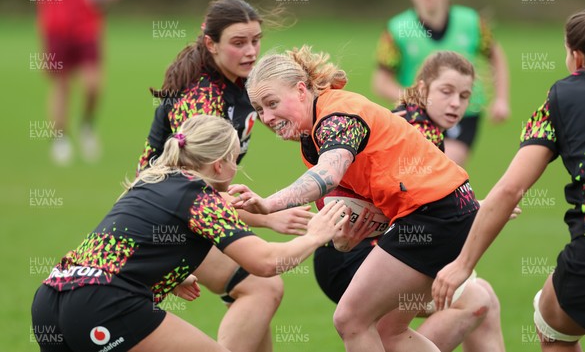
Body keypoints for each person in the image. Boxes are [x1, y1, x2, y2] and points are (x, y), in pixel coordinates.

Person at [229, 45, 489, 351]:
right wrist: (346, 238)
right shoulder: (312, 139)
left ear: (301, 90)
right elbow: (342, 229)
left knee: (351, 319)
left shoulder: (337, 117)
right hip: (442, 212)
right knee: (388, 330)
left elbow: (329, 175)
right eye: (259, 109)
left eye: (272, 103)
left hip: (435, 215)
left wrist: (268, 205)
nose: (267, 117)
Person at [31, 114, 349, 352]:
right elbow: (264, 264)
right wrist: (314, 236)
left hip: (51, 300)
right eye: (235, 158)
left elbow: (133, 239)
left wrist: (166, 273)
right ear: (219, 164)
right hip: (102, 304)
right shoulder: (198, 196)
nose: (237, 166)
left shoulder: (154, 179)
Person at [137, 0, 313, 352]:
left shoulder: (240, 84)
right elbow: (191, 196)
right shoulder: (202, 99)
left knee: (257, 294)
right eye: (238, 42)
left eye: (256, 40)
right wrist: (269, 217)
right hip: (166, 221)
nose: (251, 51)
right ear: (210, 43)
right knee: (263, 286)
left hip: (187, 211)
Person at [433, 0, 585, 352]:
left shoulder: (563, 97)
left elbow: (510, 189)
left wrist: (463, 264)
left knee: (551, 323)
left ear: (577, 58)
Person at [313, 51, 506, 352]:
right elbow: (417, 211)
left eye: (465, 95)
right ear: (423, 88)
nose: (456, 103)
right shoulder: (418, 130)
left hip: (356, 251)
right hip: (353, 255)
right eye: (447, 91)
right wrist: (479, 208)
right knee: (475, 301)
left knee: (482, 299)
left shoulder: (411, 119)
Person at [372, 0, 510, 167]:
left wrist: (501, 99)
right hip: (417, 114)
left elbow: (495, 55)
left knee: (441, 166)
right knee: (409, 173)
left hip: (463, 113)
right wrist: (416, 99)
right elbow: (381, 82)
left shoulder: (471, 22)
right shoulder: (396, 30)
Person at [29, 0, 127, 165]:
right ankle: (60, 138)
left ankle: (86, 125)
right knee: (61, 85)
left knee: (93, 85)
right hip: (56, 27)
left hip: (87, 27)